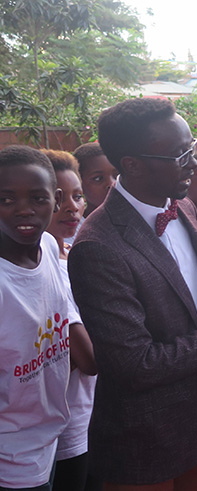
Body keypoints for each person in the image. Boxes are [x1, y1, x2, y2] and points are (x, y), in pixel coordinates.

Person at [67, 97, 197, 489]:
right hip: (144, 442)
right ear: (132, 165)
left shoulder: (184, 207)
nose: (193, 161)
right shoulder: (98, 246)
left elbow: (192, 306)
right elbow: (136, 364)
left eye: (192, 147)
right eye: (179, 154)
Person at [0, 146, 72, 491]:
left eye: (38, 198)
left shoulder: (48, 246)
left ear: (56, 200)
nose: (24, 210)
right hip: (10, 458)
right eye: (7, 199)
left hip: (48, 440)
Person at [42, 149, 101, 491]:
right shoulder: (44, 268)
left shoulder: (77, 250)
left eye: (77, 196)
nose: (72, 206)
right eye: (57, 197)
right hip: (65, 426)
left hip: (91, 414)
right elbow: (89, 358)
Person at [72, 142, 117, 218]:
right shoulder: (76, 228)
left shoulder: (135, 219)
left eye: (117, 176)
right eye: (98, 178)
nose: (112, 184)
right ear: (80, 184)